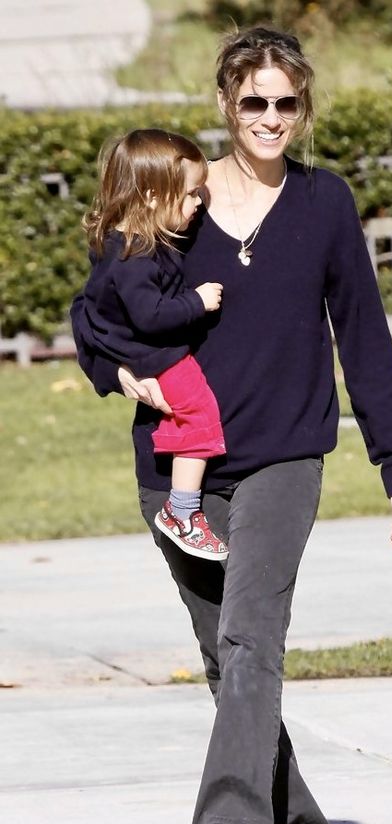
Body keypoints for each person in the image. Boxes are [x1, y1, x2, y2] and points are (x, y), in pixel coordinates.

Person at [71, 25, 392, 824]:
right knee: (231, 663)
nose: (270, 117)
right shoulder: (175, 201)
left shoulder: (325, 203)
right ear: (226, 103)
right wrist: (118, 374)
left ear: (303, 109)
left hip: (285, 454)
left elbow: (366, 335)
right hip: (176, 467)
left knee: (251, 635)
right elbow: (92, 307)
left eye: (286, 103)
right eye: (253, 101)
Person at [76, 128, 228, 560]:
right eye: (189, 195)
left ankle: (181, 503)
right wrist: (196, 302)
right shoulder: (135, 257)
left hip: (141, 357)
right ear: (152, 197)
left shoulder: (122, 244)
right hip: (154, 357)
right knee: (200, 415)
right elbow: (152, 316)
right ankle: (183, 512)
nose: (198, 203)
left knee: (185, 418)